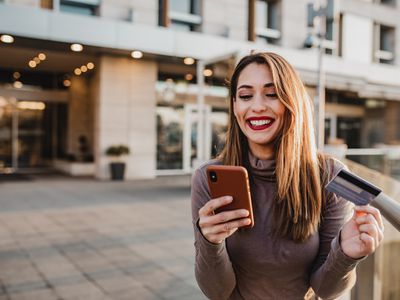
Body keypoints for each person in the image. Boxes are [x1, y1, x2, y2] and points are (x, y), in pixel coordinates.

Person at [191, 52, 384, 300]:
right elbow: (217, 292)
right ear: (235, 106)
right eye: (245, 96)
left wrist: (346, 255)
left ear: (292, 102)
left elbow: (327, 290)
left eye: (271, 94)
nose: (257, 106)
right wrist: (210, 243)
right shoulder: (206, 178)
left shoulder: (330, 175)